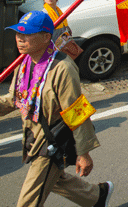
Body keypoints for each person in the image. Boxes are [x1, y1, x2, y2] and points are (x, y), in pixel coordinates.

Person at [0, 11, 113, 207]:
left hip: (52, 141)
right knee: (54, 179)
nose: (20, 38)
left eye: (27, 34)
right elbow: (14, 99)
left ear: (45, 38)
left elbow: (76, 111)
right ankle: (97, 196)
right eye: (18, 33)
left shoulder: (62, 68)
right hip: (32, 136)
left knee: (28, 200)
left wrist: (83, 152)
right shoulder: (24, 65)